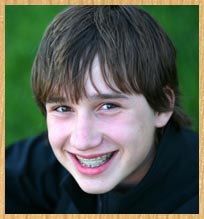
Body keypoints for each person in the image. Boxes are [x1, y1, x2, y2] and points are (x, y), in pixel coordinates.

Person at [6, 6, 198, 214]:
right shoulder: (52, 166)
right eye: (63, 108)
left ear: (162, 105)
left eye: (108, 106)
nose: (82, 141)